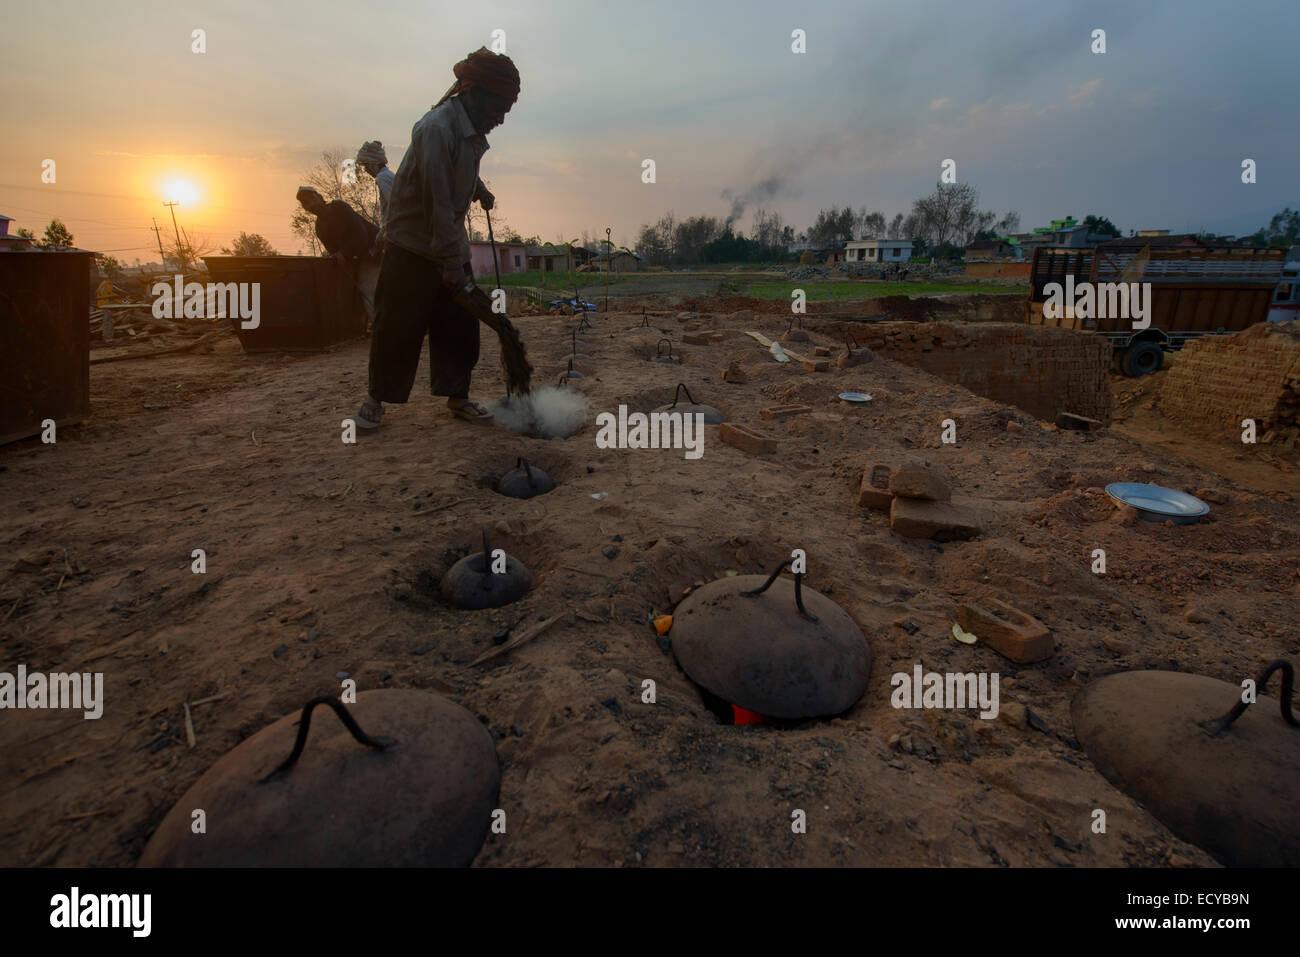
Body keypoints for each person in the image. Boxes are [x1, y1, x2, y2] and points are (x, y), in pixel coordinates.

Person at [354, 47, 518, 429]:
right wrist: (450, 266)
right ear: (474, 92)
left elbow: (455, 170)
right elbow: (438, 203)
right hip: (413, 246)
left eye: (506, 112)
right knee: (397, 326)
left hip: (448, 243)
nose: (500, 118)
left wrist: (479, 188)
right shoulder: (436, 128)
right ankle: (375, 400)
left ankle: (457, 396)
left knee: (460, 327)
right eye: (498, 109)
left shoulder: (470, 129)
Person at [296, 186, 381, 323]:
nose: (310, 204)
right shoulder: (320, 228)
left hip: (378, 248)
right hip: (362, 259)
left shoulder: (339, 207)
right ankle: (382, 327)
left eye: (311, 198)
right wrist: (340, 257)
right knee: (366, 291)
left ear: (319, 196)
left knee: (373, 289)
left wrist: (344, 253)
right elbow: (336, 255)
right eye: (305, 202)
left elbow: (361, 235)